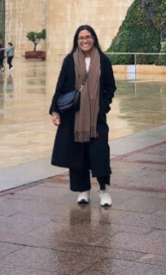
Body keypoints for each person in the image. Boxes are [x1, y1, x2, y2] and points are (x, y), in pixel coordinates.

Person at [50, 25, 117, 207]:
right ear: (76, 41)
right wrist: (55, 110)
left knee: (100, 153)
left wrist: (103, 107)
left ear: (94, 38)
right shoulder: (69, 61)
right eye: (81, 38)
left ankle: (104, 190)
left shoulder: (103, 61)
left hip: (96, 118)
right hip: (74, 116)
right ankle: (83, 190)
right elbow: (60, 87)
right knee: (77, 155)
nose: (85, 40)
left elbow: (110, 87)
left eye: (88, 37)